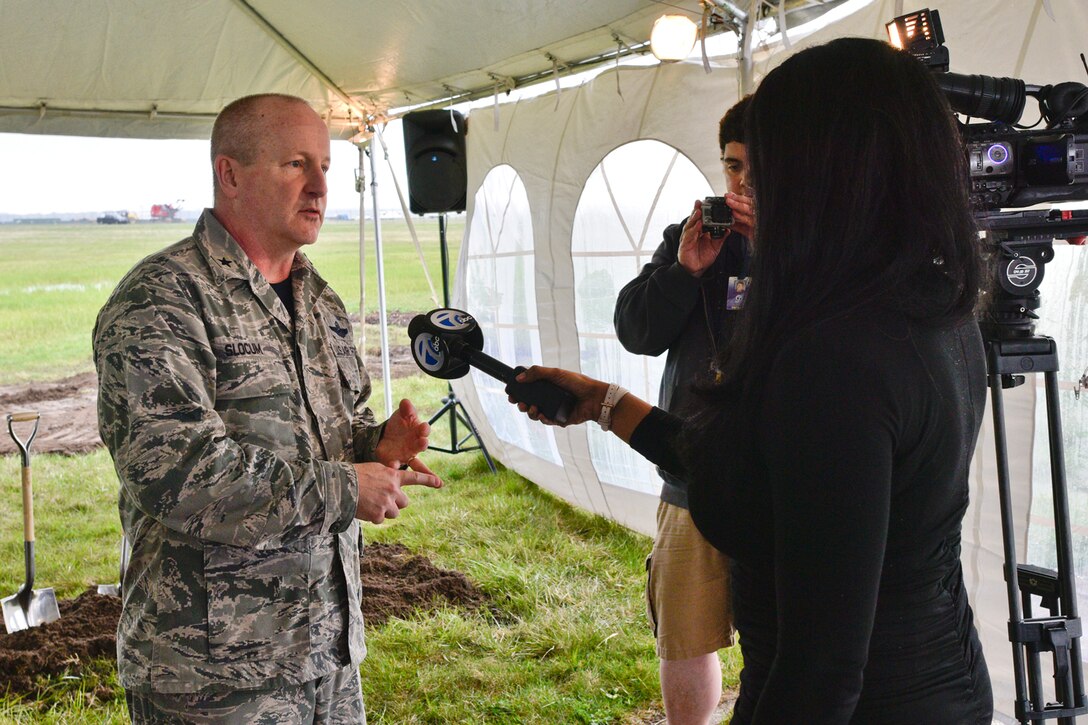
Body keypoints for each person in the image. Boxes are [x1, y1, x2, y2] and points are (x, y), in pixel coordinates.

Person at [512, 37, 993, 724]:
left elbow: (822, 670)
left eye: (767, 170)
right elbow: (771, 476)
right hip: (942, 686)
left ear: (829, 175)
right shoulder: (932, 309)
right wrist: (602, 402)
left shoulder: (836, 358)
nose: (746, 193)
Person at [94, 93, 442, 723]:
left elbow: (327, 435)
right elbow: (179, 475)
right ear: (230, 174)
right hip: (212, 676)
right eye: (295, 165)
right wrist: (343, 487)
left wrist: (375, 447)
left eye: (326, 168)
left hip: (327, 657)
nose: (318, 187)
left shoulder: (318, 300)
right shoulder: (160, 301)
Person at [612, 96, 753, 725]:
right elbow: (636, 329)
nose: (741, 184)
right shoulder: (694, 234)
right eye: (731, 167)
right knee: (686, 629)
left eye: (757, 169)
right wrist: (685, 271)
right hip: (691, 468)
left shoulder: (819, 242)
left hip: (785, 478)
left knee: (783, 637)